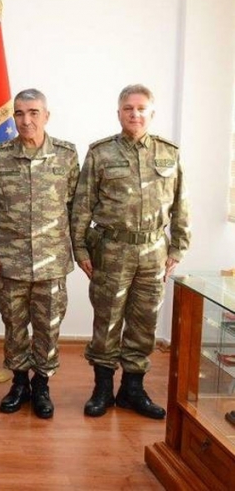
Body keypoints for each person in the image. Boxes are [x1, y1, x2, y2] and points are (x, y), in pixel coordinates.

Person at [72, 83, 190, 419]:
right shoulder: (101, 153)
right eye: (128, 108)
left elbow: (181, 203)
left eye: (141, 109)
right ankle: (103, 388)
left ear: (151, 113)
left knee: (145, 322)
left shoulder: (169, 152)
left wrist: (178, 248)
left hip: (154, 250)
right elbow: (82, 205)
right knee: (107, 320)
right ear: (119, 112)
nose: (134, 114)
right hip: (112, 249)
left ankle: (132, 389)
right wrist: (79, 248)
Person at [0, 89, 80, 419]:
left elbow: (77, 208)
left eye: (34, 113)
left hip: (51, 262)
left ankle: (42, 385)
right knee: (15, 326)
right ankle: (19, 383)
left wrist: (81, 252)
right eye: (19, 113)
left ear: (46, 116)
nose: (26, 120)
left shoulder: (66, 155)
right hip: (10, 261)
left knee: (48, 327)